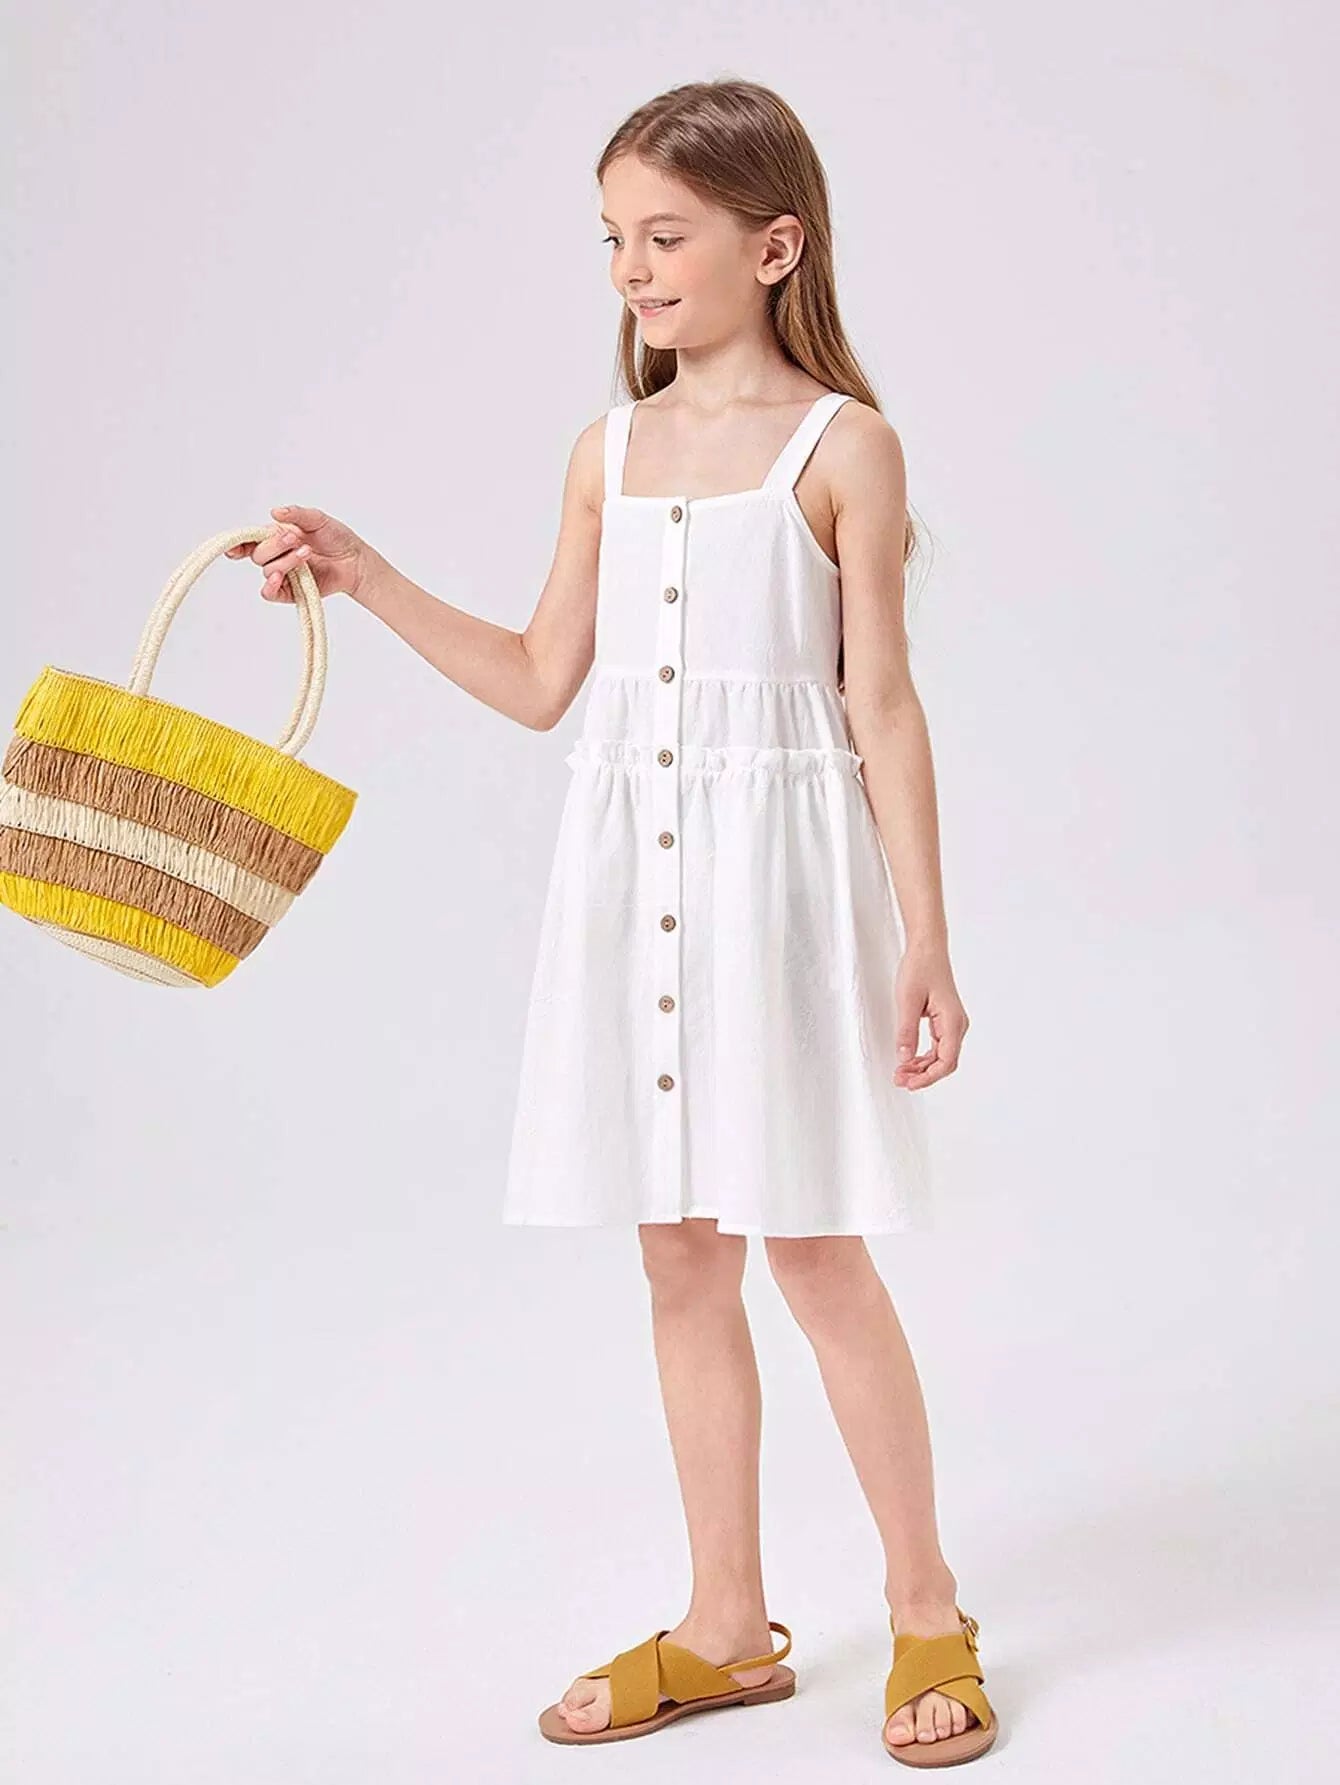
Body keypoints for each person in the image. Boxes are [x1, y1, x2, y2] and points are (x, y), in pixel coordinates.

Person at [229, 76, 997, 1769]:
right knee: (677, 1255)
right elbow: (538, 677)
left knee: (815, 1248)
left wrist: (927, 936)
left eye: (665, 236)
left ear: (772, 246)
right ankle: (727, 1627)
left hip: (785, 894)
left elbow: (882, 703)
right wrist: (361, 572)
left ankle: (926, 1603)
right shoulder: (610, 451)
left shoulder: (843, 448)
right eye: (612, 240)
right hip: (638, 889)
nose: (632, 270)